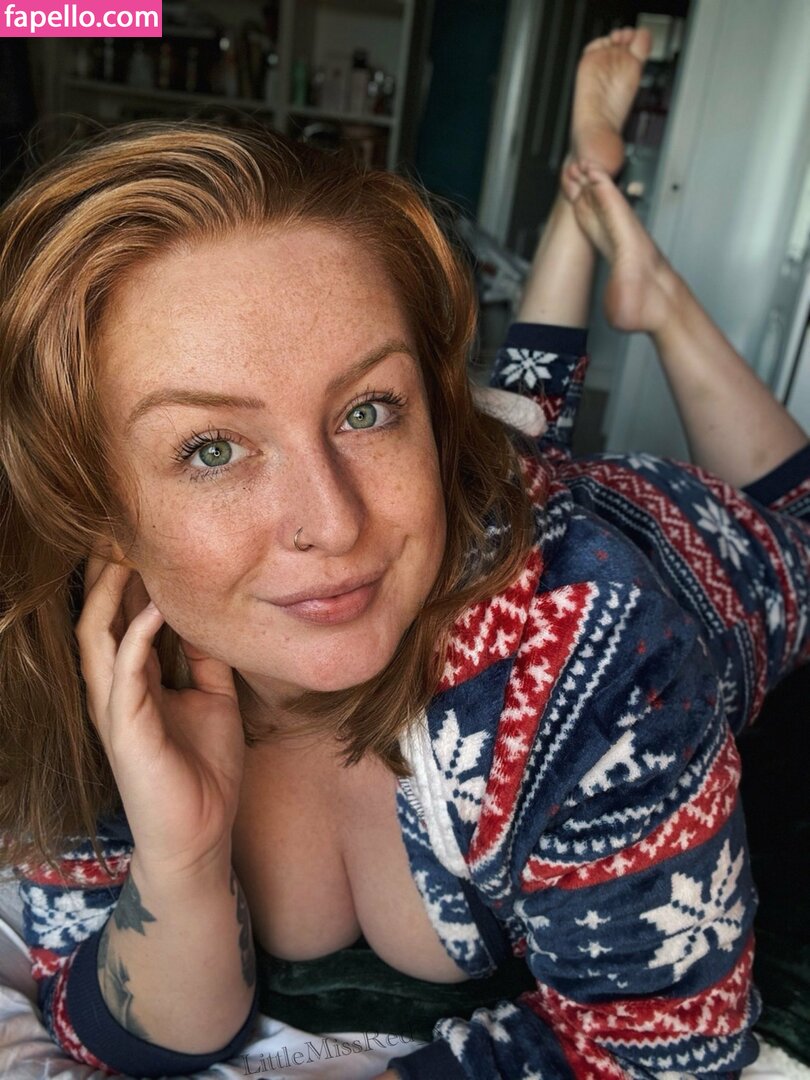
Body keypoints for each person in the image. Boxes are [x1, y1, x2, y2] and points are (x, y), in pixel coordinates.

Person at [1, 26, 808, 1080]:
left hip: (686, 542)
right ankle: (585, 220)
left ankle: (649, 289)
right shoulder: (73, 663)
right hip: (491, 478)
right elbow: (96, 1010)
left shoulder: (590, 634)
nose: (333, 524)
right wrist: (182, 861)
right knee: (517, 429)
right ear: (95, 504)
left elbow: (670, 1045)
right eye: (211, 449)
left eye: (369, 408)